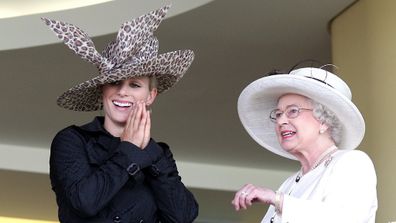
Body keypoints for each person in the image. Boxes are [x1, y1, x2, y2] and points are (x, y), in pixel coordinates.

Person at [44, 5, 198, 223]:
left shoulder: (159, 155)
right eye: (114, 82)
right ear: (102, 89)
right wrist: (129, 150)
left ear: (150, 96)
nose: (123, 91)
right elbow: (84, 203)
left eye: (135, 85)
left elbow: (183, 216)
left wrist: (147, 152)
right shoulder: (72, 140)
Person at [232, 66, 377, 223]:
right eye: (278, 114)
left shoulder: (352, 162)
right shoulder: (288, 185)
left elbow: (345, 219)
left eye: (293, 111)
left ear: (323, 120)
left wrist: (277, 200)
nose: (281, 121)